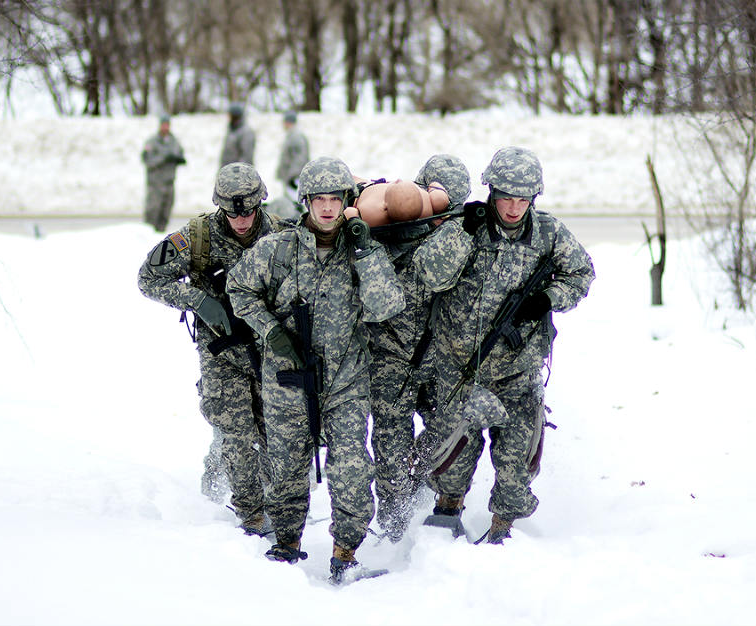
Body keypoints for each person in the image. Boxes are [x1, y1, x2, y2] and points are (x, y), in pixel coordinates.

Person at [226, 156, 404, 583]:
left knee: (351, 469)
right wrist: (272, 333)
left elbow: (386, 306)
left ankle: (346, 552)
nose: (326, 208)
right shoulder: (277, 248)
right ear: (305, 201)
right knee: (287, 468)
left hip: (345, 377)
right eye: (318, 199)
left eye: (334, 199)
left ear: (346, 201)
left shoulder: (362, 249)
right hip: (288, 376)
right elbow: (239, 288)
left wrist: (364, 252)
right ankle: (286, 547)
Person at [411, 146, 595, 544]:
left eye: (523, 199)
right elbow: (430, 275)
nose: (514, 208)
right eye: (506, 197)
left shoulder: (549, 233)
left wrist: (547, 299)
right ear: (491, 192)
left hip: (518, 369)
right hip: (461, 368)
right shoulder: (466, 226)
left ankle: (503, 530)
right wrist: (461, 232)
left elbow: (581, 273)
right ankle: (446, 514)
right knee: (452, 455)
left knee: (517, 461)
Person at [137, 162, 286, 536]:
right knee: (236, 432)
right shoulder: (198, 237)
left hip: (269, 350)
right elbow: (148, 277)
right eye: (232, 213)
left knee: (272, 432)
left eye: (248, 212)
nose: (240, 221)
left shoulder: (282, 234)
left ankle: (272, 501)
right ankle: (251, 514)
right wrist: (198, 300)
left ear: (260, 204)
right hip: (221, 352)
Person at [363, 154, 472, 542]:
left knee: (449, 431)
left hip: (437, 361)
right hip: (389, 361)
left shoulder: (460, 241)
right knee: (390, 450)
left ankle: (420, 483)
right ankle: (393, 532)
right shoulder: (388, 228)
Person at [140, 115, 186, 232]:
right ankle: (148, 234)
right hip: (156, 183)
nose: (165, 127)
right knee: (153, 211)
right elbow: (148, 161)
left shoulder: (174, 141)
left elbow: (180, 154)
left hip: (169, 182)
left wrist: (178, 159)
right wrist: (163, 158)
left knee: (166, 211)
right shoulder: (152, 142)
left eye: (167, 125)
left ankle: (160, 234)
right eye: (163, 124)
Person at [275, 111, 309, 200]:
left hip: (294, 177)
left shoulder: (296, 136)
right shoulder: (291, 135)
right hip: (290, 175)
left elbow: (300, 157)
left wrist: (293, 175)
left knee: (294, 200)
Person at [220, 102, 256, 167]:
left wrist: (239, 173)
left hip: (239, 174)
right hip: (228, 173)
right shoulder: (232, 132)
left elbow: (247, 156)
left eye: (234, 117)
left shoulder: (246, 132)